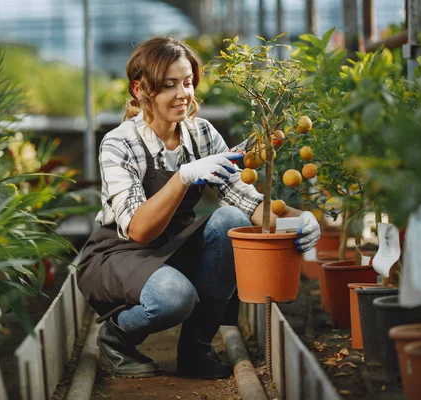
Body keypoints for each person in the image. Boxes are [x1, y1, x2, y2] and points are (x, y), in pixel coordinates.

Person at [77, 37, 321, 380]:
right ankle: (116, 336)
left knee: (230, 220)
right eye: (168, 85)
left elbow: (245, 200)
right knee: (174, 297)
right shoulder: (120, 143)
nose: (182, 94)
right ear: (140, 89)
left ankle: (196, 349)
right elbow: (139, 229)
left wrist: (299, 221)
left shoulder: (201, 134)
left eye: (188, 82)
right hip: (120, 253)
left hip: (173, 246)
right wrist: (183, 177)